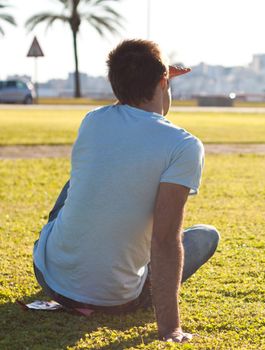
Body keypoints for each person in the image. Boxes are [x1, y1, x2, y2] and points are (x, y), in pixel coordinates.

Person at [32, 39, 219, 343]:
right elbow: (165, 239)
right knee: (207, 235)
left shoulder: (93, 121)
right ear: (163, 81)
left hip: (51, 278)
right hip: (118, 299)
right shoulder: (184, 146)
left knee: (76, 184)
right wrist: (170, 329)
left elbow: (129, 106)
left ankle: (76, 268)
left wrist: (146, 77)